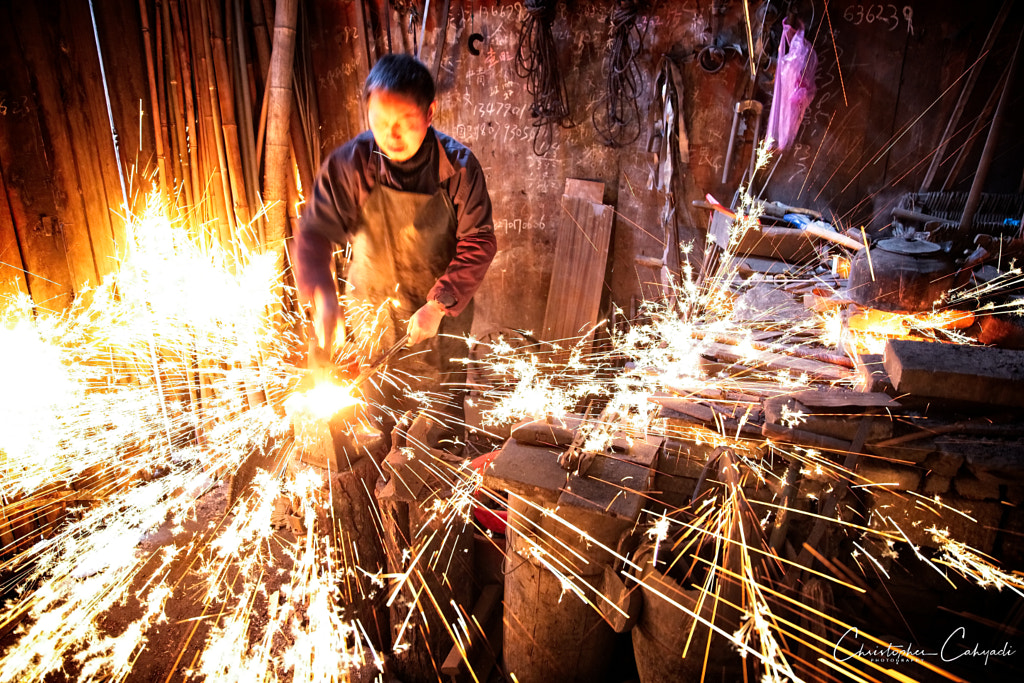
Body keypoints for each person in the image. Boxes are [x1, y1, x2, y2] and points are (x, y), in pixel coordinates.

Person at [294, 54, 497, 449]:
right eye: (380, 121)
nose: (392, 134)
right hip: (371, 322)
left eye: (405, 121)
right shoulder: (351, 165)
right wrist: (324, 303)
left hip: (437, 323)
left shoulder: (458, 167)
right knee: (374, 432)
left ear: (431, 111)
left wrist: (438, 305)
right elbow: (314, 233)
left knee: (436, 434)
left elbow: (479, 242)